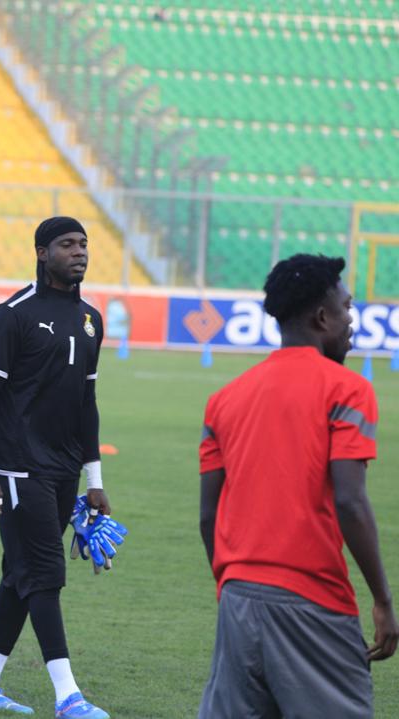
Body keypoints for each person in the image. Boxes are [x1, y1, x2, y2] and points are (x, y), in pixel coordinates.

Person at [198, 254, 398, 718]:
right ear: (322, 317)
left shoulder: (223, 400)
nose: (352, 321)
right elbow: (350, 501)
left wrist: (230, 585)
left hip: (238, 599)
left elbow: (209, 515)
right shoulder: (348, 389)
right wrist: (383, 601)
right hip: (314, 602)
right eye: (347, 308)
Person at [0, 216, 111, 718]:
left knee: (20, 574)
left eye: (83, 244)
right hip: (16, 468)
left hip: (63, 470)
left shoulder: (91, 319)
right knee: (45, 574)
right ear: (42, 252)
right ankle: (68, 695)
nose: (79, 252)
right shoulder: (14, 314)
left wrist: (94, 479)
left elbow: (87, 404)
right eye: (67, 244)